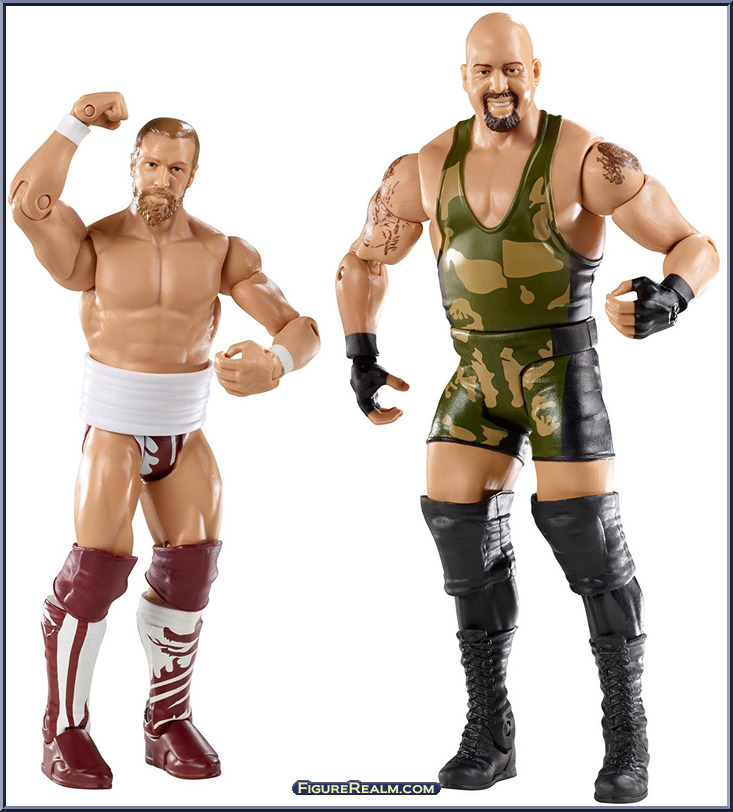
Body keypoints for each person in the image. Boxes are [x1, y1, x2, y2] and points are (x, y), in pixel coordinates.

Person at [335, 13, 717, 805]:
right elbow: (364, 259)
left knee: (588, 541)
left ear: (534, 72)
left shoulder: (587, 159)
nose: (498, 85)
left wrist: (670, 297)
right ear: (463, 77)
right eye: (483, 71)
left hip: (558, 373)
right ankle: (490, 735)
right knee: (456, 531)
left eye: (511, 69)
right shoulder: (422, 167)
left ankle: (627, 740)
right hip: (475, 376)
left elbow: (693, 242)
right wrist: (360, 354)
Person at [8, 92, 320, 790]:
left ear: (191, 175)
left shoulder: (220, 251)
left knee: (193, 570)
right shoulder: (94, 246)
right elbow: (27, 203)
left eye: (175, 168)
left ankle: (166, 721)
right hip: (114, 428)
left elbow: (300, 327)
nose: (161, 178)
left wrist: (276, 364)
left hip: (184, 430)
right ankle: (63, 730)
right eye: (151, 164)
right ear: (132, 164)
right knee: (95, 571)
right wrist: (74, 123)